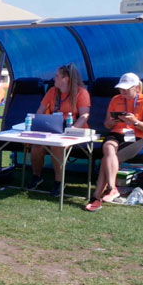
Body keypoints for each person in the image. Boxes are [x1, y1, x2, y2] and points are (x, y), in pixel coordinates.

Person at [85, 73, 143, 212]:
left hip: (135, 136)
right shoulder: (115, 99)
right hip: (116, 133)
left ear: (136, 88)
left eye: (126, 89)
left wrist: (135, 122)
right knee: (108, 147)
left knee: (107, 160)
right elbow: (107, 125)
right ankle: (113, 188)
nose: (122, 92)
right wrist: (112, 121)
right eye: (121, 89)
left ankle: (97, 197)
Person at [26, 63, 91, 196]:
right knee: (36, 145)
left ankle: (59, 182)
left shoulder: (81, 93)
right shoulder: (52, 92)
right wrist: (36, 121)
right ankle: (37, 176)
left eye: (56, 76)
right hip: (52, 129)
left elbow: (84, 115)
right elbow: (40, 112)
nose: (53, 78)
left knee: (57, 146)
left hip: (73, 131)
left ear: (65, 79)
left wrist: (72, 129)